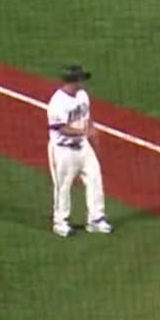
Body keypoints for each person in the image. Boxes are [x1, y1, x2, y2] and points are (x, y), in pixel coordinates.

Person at [47, 64, 113, 237]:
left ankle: (96, 219)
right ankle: (61, 222)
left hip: (83, 147)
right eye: (80, 78)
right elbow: (61, 128)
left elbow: (87, 117)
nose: (83, 81)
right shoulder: (57, 102)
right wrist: (85, 132)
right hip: (63, 151)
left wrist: (92, 134)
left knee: (95, 178)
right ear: (73, 80)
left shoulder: (82, 96)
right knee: (63, 186)